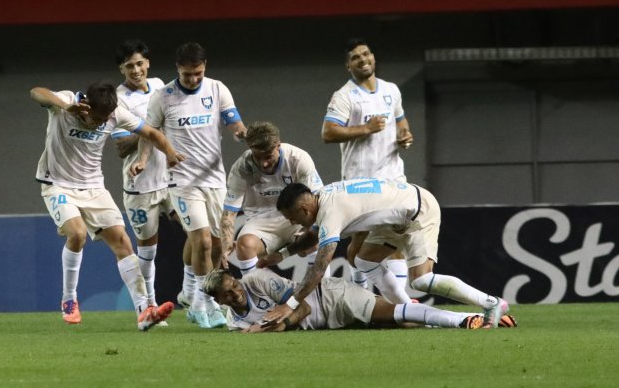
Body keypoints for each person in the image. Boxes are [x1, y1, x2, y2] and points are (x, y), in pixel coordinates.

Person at [32, 81, 181, 330]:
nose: (103, 123)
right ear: (87, 105)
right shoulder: (68, 101)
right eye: (99, 117)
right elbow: (37, 92)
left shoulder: (115, 114)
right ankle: (69, 299)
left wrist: (170, 152)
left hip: (94, 187)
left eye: (107, 118)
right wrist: (65, 106)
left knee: (122, 241)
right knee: (77, 234)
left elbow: (152, 133)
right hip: (57, 184)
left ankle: (144, 312)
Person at [266, 181, 512, 328]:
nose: (294, 224)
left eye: (292, 218)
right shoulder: (324, 196)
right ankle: (407, 310)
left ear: (305, 208)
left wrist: (291, 304)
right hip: (396, 215)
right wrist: (283, 253)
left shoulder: (331, 213)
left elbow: (320, 267)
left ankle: (492, 303)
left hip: (417, 211)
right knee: (363, 260)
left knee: (421, 280)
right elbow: (313, 235)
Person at [133, 42, 247, 329]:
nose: (193, 79)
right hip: (182, 181)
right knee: (202, 241)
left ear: (204, 67)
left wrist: (243, 134)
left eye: (197, 73)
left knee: (218, 245)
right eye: (187, 75)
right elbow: (150, 133)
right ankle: (203, 304)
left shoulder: (217, 89)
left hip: (215, 179)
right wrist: (143, 160)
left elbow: (233, 121)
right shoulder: (163, 97)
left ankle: (189, 292)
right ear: (177, 70)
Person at [322, 38, 414, 304]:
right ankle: (361, 296)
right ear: (348, 65)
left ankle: (401, 304)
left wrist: (405, 136)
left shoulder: (391, 90)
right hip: (360, 183)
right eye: (356, 57)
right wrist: (366, 129)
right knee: (360, 245)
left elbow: (401, 121)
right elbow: (328, 132)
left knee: (393, 241)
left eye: (366, 54)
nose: (363, 60)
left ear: (373, 56)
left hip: (393, 179)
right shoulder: (344, 96)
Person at [202, 268, 516, 332]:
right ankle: (492, 317)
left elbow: (304, 306)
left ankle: (468, 320)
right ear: (219, 300)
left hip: (332, 297)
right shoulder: (236, 322)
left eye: (234, 285)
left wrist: (276, 327)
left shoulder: (257, 279)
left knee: (394, 314)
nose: (236, 292)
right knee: (404, 324)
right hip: (332, 324)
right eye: (227, 294)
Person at [109, 39, 174, 317]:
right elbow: (122, 147)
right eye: (129, 66)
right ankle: (149, 305)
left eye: (139, 64)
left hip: (173, 178)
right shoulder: (117, 99)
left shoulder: (160, 85)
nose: (135, 70)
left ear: (147, 63)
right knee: (148, 250)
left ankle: (199, 298)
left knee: (203, 235)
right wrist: (150, 129)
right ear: (122, 69)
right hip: (141, 185)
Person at [219, 121, 323, 276]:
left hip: (295, 220)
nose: (264, 163)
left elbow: (318, 200)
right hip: (260, 221)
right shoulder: (242, 167)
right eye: (258, 157)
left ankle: (320, 293)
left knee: (314, 239)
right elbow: (229, 213)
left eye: (268, 156)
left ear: (278, 146)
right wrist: (226, 242)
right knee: (244, 245)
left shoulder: (298, 159)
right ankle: (257, 296)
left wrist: (308, 229)